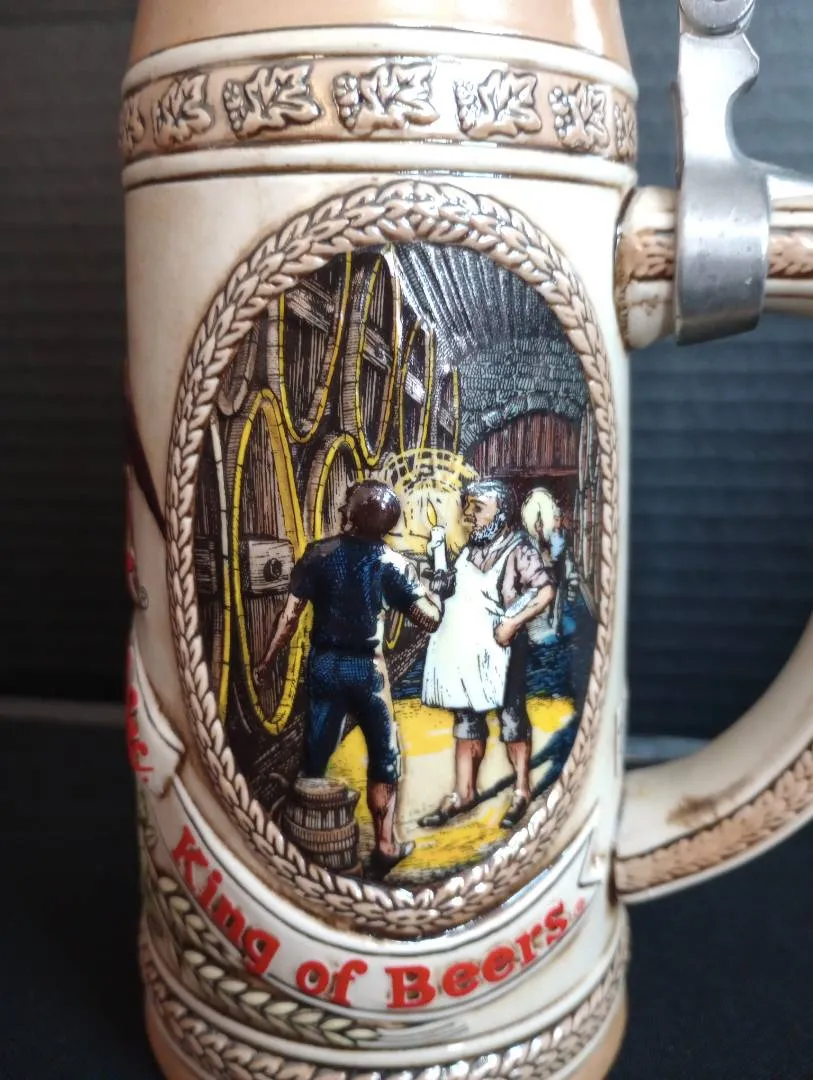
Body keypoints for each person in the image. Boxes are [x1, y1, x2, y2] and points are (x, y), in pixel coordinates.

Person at [255, 480, 442, 879]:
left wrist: (268, 659)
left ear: (353, 514)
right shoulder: (392, 564)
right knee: (384, 755)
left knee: (315, 755)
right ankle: (386, 846)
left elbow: (290, 617)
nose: (341, 508)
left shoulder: (318, 555)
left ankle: (306, 842)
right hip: (367, 671)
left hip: (325, 665)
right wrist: (435, 597)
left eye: (346, 504)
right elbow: (428, 619)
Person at [419, 479, 556, 830]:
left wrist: (512, 622)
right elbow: (451, 588)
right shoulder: (471, 549)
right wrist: (438, 563)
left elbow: (544, 591)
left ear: (501, 513)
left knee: (512, 718)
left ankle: (521, 790)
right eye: (467, 506)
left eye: (477, 508)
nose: (469, 514)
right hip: (468, 652)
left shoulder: (518, 548)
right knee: (466, 719)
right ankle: (464, 792)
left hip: (502, 650)